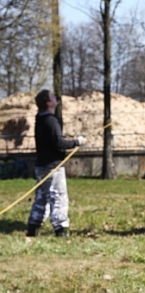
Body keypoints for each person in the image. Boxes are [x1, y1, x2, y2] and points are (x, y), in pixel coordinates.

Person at [26, 90, 86, 238]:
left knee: (41, 197)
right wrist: (77, 142)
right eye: (53, 97)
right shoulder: (51, 121)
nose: (56, 97)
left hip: (41, 165)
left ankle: (32, 228)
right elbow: (58, 143)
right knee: (58, 196)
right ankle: (60, 230)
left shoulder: (39, 119)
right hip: (53, 166)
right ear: (48, 103)